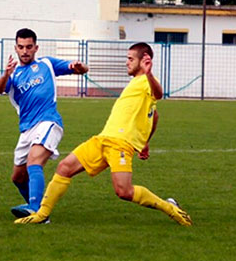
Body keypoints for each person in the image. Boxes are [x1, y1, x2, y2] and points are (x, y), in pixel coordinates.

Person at [15, 42, 192, 226]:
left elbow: (159, 94)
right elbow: (154, 115)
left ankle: (171, 208)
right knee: (64, 167)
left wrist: (148, 73)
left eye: (131, 59)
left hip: (120, 144)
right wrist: (146, 141)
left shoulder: (146, 81)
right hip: (103, 139)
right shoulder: (136, 84)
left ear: (144, 60)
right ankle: (41, 214)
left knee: (124, 191)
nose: (127, 62)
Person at [0, 28, 89, 219]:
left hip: (48, 121)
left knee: (34, 161)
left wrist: (80, 67)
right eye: (21, 47)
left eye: (29, 47)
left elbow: (77, 69)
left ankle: (36, 209)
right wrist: (6, 74)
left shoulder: (47, 64)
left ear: (36, 47)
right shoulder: (13, 76)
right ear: (16, 48)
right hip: (27, 129)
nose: (25, 51)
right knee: (18, 177)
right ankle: (40, 212)